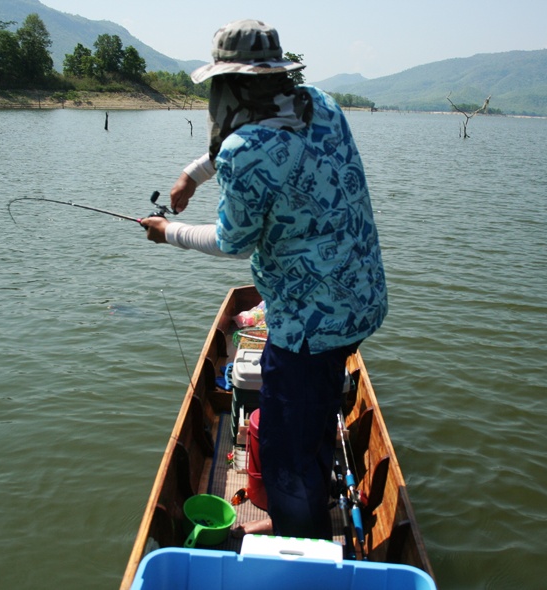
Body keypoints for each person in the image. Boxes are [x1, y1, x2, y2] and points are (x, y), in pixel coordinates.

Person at [141, 19, 387, 540]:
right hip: (360, 298)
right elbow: (247, 144)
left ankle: (300, 539)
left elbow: (232, 242)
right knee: (315, 413)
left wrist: (169, 233)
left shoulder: (245, 149)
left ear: (228, 84)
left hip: (308, 322)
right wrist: (191, 176)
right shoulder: (320, 102)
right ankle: (303, 508)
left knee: (281, 444)